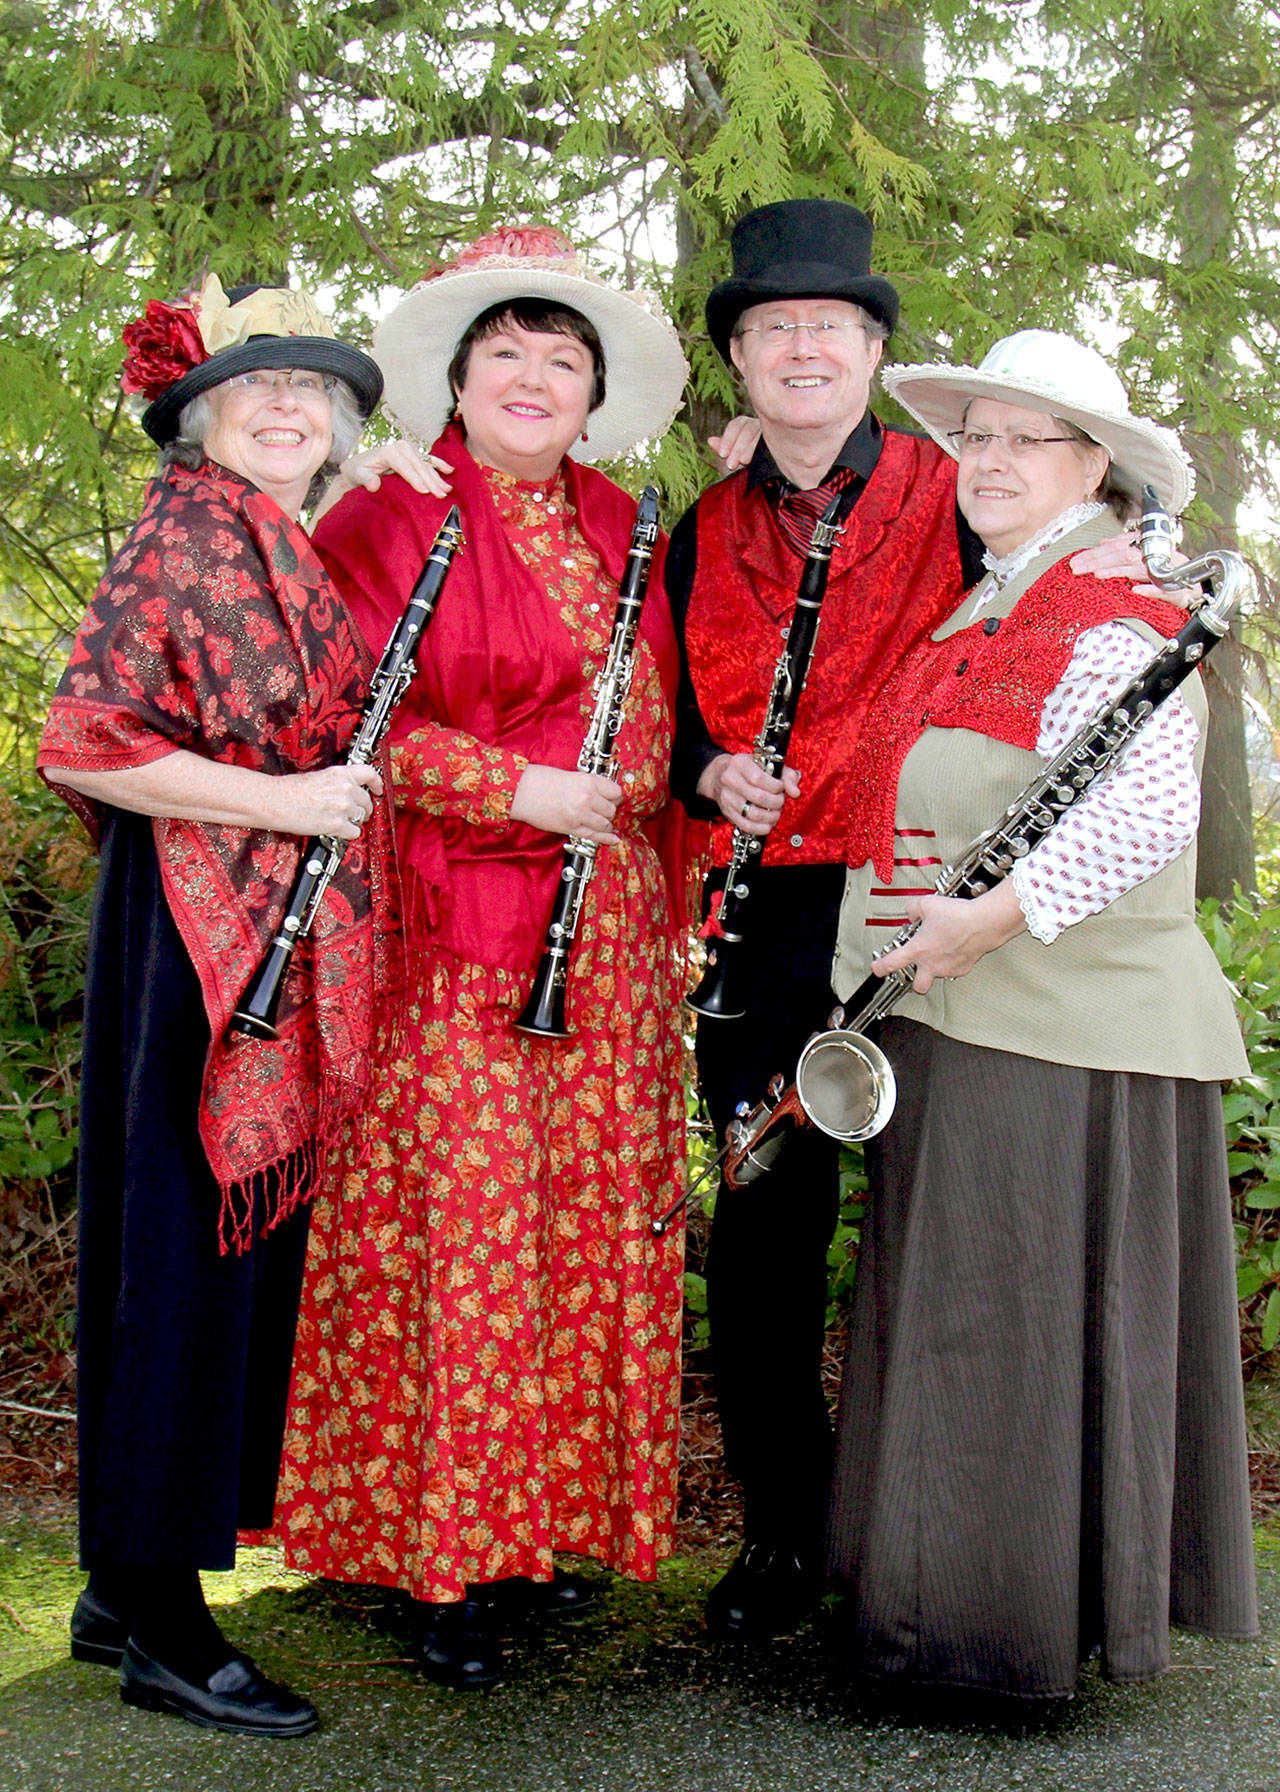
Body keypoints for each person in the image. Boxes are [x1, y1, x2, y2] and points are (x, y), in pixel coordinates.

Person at [668, 199, 1152, 1639]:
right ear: (741, 365)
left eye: (832, 326)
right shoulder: (697, 524)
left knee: (942, 1217)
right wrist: (704, 765)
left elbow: (1061, 589)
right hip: (760, 921)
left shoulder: (960, 490)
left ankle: (949, 1536)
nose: (803, 348)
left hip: (921, 906)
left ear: (875, 352)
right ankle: (784, 1534)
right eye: (773, 329)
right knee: (762, 1225)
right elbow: (664, 704)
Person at [270, 227, 693, 1689]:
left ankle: (541, 1533)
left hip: (614, 944)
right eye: (504, 353)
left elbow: (662, 731)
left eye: (559, 360)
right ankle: (444, 1564)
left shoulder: (625, 523)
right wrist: (516, 791)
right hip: (459, 934)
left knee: (578, 1245)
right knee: (466, 1247)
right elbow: (348, 713)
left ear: (590, 397)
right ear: (457, 377)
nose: (531, 378)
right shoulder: (396, 511)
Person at [823, 328, 1256, 1697]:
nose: (991, 460)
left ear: (1094, 467)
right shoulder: (992, 601)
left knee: (1011, 1320)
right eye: (979, 436)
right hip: (960, 1011)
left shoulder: (1116, 602)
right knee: (959, 1315)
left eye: (1026, 438)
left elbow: (1146, 809)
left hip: (1065, 1027)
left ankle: (1001, 1638)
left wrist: (990, 920)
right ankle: (933, 1613)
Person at [38, 274, 395, 1737]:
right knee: (182, 1257)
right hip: (190, 933)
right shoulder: (190, 533)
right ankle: (169, 1633)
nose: (290, 406)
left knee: (178, 1251)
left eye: (314, 391)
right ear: (200, 421)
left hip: (243, 932)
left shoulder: (276, 542)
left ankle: (123, 1583)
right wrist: (289, 800)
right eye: (256, 387)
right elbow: (89, 741)